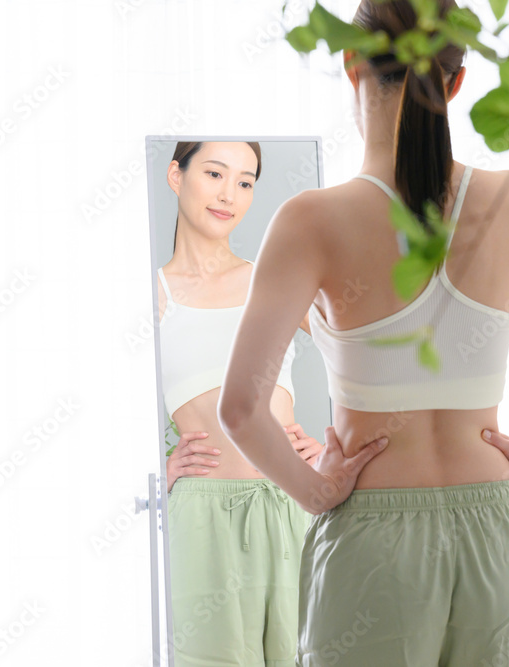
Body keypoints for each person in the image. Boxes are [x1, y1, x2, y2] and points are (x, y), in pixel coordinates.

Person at [215, 2, 509, 665]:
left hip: (374, 545)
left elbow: (240, 408)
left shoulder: (310, 221)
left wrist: (317, 491)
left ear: (352, 62)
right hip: (497, 540)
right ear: (456, 81)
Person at [157, 140, 331, 667]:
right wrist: (160, 468)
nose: (228, 194)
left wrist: (337, 446)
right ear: (176, 175)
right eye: (214, 173)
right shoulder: (151, 296)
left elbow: (367, 357)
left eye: (245, 181)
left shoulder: (274, 279)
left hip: (290, 505)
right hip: (202, 522)